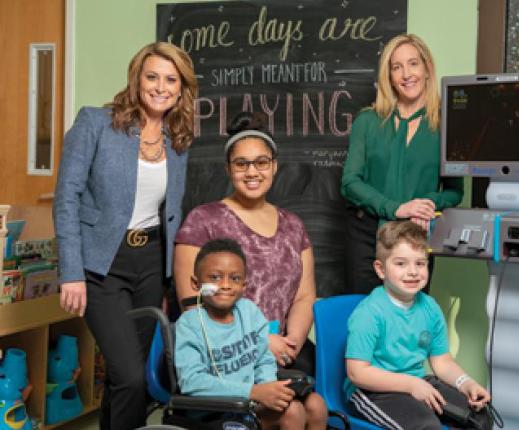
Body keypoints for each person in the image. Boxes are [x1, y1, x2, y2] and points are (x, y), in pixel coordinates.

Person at [53, 42, 197, 430]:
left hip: (151, 264)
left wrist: (170, 278)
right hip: (102, 265)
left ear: (182, 88)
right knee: (131, 375)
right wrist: (71, 271)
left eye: (171, 80)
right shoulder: (95, 123)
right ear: (136, 80)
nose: (160, 87)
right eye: (152, 77)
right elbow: (67, 197)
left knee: (130, 380)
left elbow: (172, 211)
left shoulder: (178, 138)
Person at [174, 111, 317, 376]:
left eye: (261, 162)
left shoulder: (293, 226)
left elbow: (305, 296)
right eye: (241, 164)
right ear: (228, 169)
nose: (252, 172)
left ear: (274, 166)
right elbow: (193, 303)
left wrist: (292, 344)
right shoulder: (202, 221)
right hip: (224, 353)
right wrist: (261, 342)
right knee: (289, 410)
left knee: (319, 403)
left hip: (282, 349)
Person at [341, 33, 464, 294]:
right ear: (389, 76)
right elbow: (350, 183)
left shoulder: (447, 125)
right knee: (366, 317)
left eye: (413, 64)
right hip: (366, 236)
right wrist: (395, 208)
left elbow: (455, 190)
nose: (406, 74)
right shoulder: (368, 121)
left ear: (427, 68)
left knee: (410, 320)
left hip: (415, 236)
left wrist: (426, 205)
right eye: (396, 67)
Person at [345, 221, 491, 430]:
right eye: (401, 264)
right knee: (426, 427)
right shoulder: (368, 313)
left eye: (420, 263)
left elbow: (441, 362)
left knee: (480, 417)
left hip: (418, 381)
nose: (413, 272)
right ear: (380, 269)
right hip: (373, 391)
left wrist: (466, 383)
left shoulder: (430, 307)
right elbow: (357, 373)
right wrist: (411, 385)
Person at [175, 239, 328, 429]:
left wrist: (271, 390)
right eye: (215, 277)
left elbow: (263, 358)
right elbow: (192, 382)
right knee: (293, 412)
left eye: (235, 278)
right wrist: (253, 392)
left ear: (244, 285)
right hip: (215, 410)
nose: (225, 285)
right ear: (196, 283)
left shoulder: (248, 311)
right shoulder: (190, 324)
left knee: (316, 405)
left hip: (251, 402)